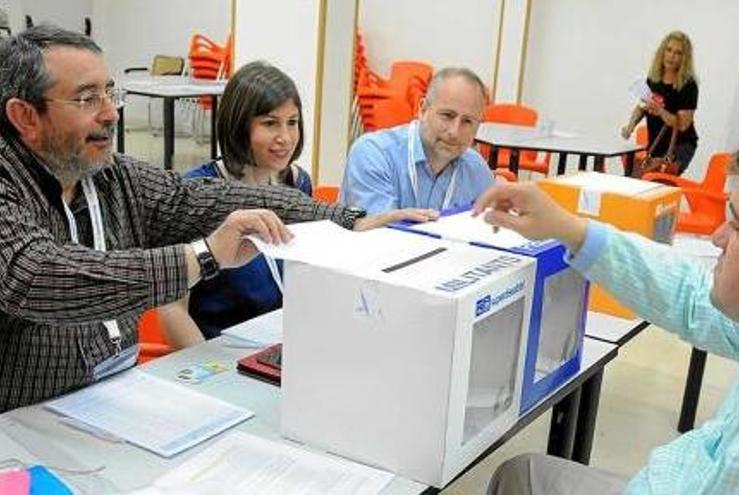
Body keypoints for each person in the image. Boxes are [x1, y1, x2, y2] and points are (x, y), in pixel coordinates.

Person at [0, 25, 433, 412]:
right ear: (25, 116)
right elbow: (40, 274)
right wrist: (204, 256)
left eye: (110, 94)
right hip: (23, 425)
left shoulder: (111, 175)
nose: (111, 113)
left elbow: (203, 198)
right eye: (86, 98)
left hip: (116, 400)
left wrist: (346, 219)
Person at [479, 122, 739, 493]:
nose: (718, 238)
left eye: (737, 226)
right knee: (523, 473)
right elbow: (690, 295)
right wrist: (570, 228)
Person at [158, 61, 327, 344]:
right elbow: (172, 309)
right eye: (270, 123)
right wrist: (211, 375)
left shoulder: (297, 183)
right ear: (238, 126)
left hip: (285, 343)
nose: (285, 137)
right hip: (222, 352)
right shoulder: (195, 193)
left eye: (292, 123)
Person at [340, 66, 495, 214]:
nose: (454, 132)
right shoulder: (374, 154)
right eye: (447, 116)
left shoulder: (477, 170)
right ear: (422, 109)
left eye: (467, 121)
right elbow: (380, 235)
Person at [621, 31, 699, 173]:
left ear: (684, 58)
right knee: (639, 177)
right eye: (668, 50)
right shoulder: (654, 78)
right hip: (656, 143)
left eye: (678, 53)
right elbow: (642, 107)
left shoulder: (688, 85)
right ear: (662, 52)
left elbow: (682, 125)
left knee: (657, 181)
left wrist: (661, 111)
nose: (672, 56)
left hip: (680, 146)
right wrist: (630, 125)